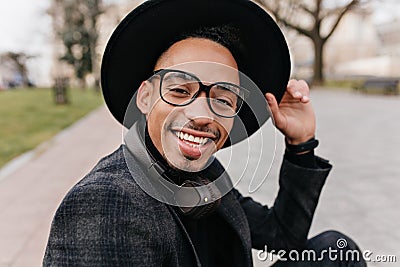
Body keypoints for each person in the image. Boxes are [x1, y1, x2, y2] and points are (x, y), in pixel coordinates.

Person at [43, 0, 366, 266]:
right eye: (181, 91)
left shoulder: (204, 175)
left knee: (336, 251)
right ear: (144, 97)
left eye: (223, 98)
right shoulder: (108, 201)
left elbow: (282, 237)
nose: (202, 115)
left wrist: (300, 145)